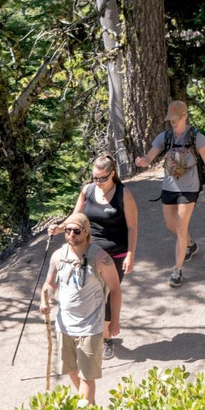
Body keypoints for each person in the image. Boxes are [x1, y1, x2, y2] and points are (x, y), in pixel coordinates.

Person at [49, 153, 138, 360]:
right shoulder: (87, 191)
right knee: (87, 291)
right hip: (89, 251)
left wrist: (131, 255)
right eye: (95, 178)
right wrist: (61, 228)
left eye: (102, 178)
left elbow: (132, 227)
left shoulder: (124, 195)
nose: (97, 182)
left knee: (106, 295)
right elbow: (76, 216)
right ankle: (89, 331)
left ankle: (106, 339)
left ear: (112, 174)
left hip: (115, 253)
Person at [134, 100, 205, 287]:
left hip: (189, 188)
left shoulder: (197, 137)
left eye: (176, 119)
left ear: (185, 116)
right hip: (169, 186)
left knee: (181, 226)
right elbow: (151, 156)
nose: (173, 122)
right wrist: (143, 161)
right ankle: (190, 244)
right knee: (170, 224)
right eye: (170, 119)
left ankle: (177, 270)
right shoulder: (165, 137)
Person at [38, 212, 121, 405]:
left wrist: (115, 321)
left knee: (87, 376)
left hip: (90, 327)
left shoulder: (100, 257)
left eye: (76, 231)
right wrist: (45, 300)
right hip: (64, 325)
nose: (71, 235)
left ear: (86, 232)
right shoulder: (59, 256)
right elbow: (50, 284)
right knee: (71, 370)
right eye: (67, 230)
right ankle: (90, 408)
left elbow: (116, 288)